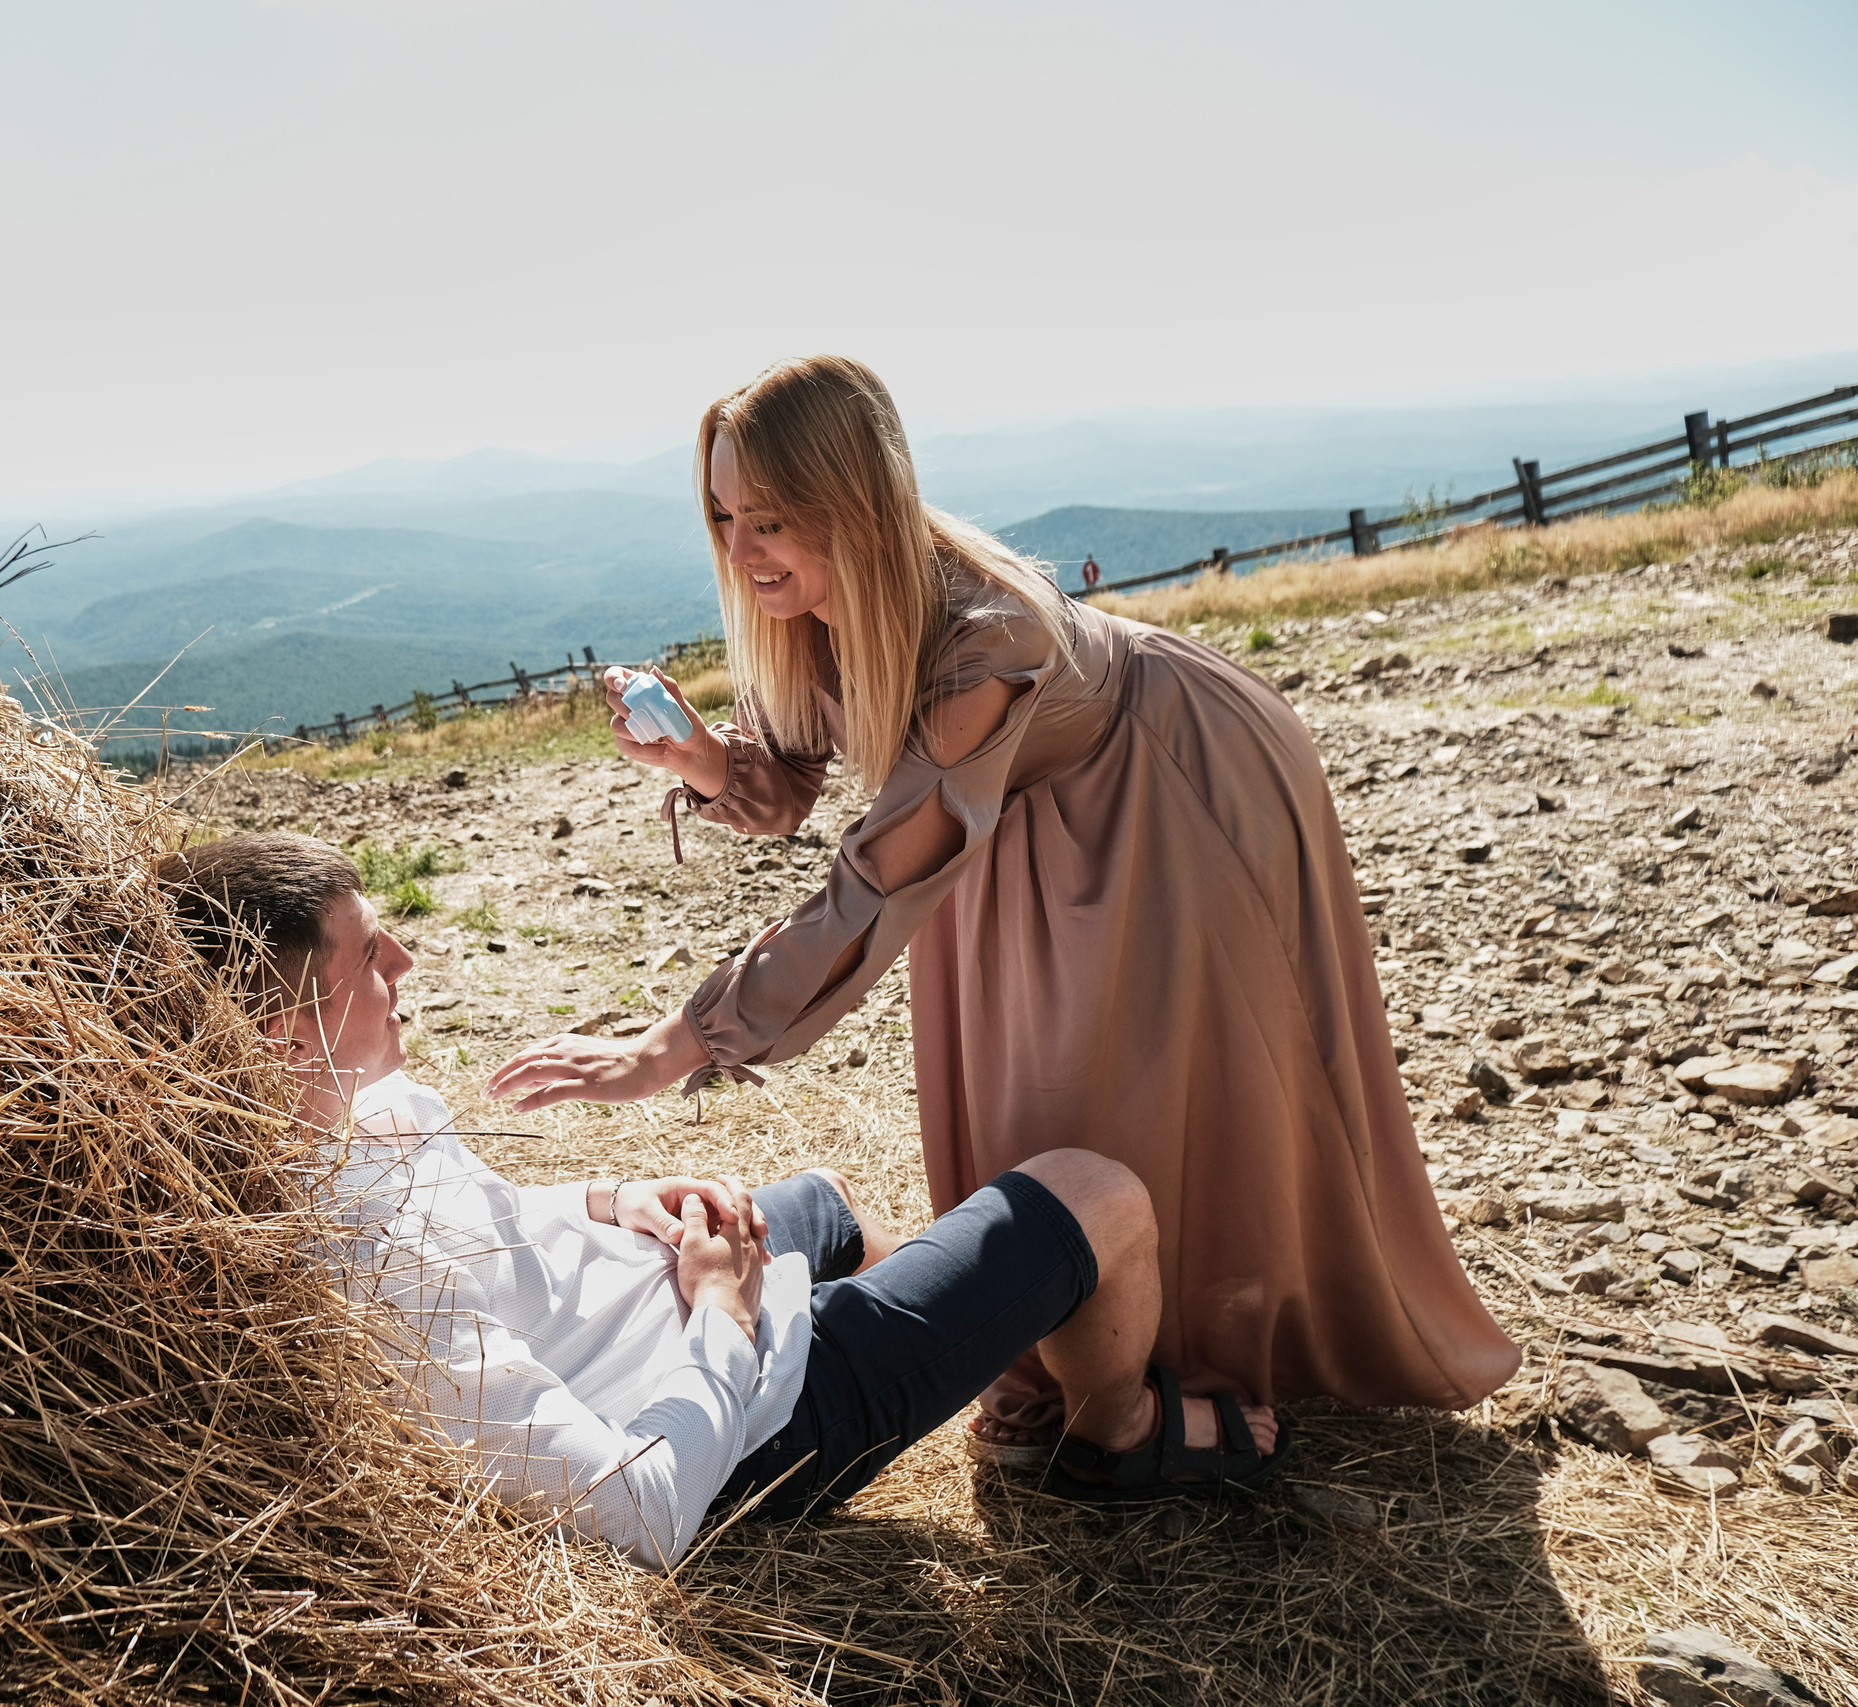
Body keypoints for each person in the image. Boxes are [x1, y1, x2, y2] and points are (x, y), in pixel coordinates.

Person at [485, 354, 1519, 1467]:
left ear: (855, 500)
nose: (741, 550)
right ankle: (1067, 1350)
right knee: (1048, 1091)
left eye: (772, 519)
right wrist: (695, 754)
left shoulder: (984, 639)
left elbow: (869, 892)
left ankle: (1175, 1368)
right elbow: (783, 790)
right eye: (724, 515)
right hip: (1003, 815)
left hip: (1171, 783)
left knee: (1163, 1079)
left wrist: (669, 1046)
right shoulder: (809, 609)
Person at [156, 832, 1285, 1571]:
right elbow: (639, 1514)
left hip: (677, 1300)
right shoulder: (357, 1277)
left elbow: (490, 1230)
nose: (406, 955)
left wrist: (616, 1199)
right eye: (367, 953)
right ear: (280, 1033)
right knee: (1097, 1193)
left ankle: (1017, 1385)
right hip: (744, 1416)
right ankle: (1114, 1437)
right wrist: (722, 1315)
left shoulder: (364, 1110)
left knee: (825, 1199)